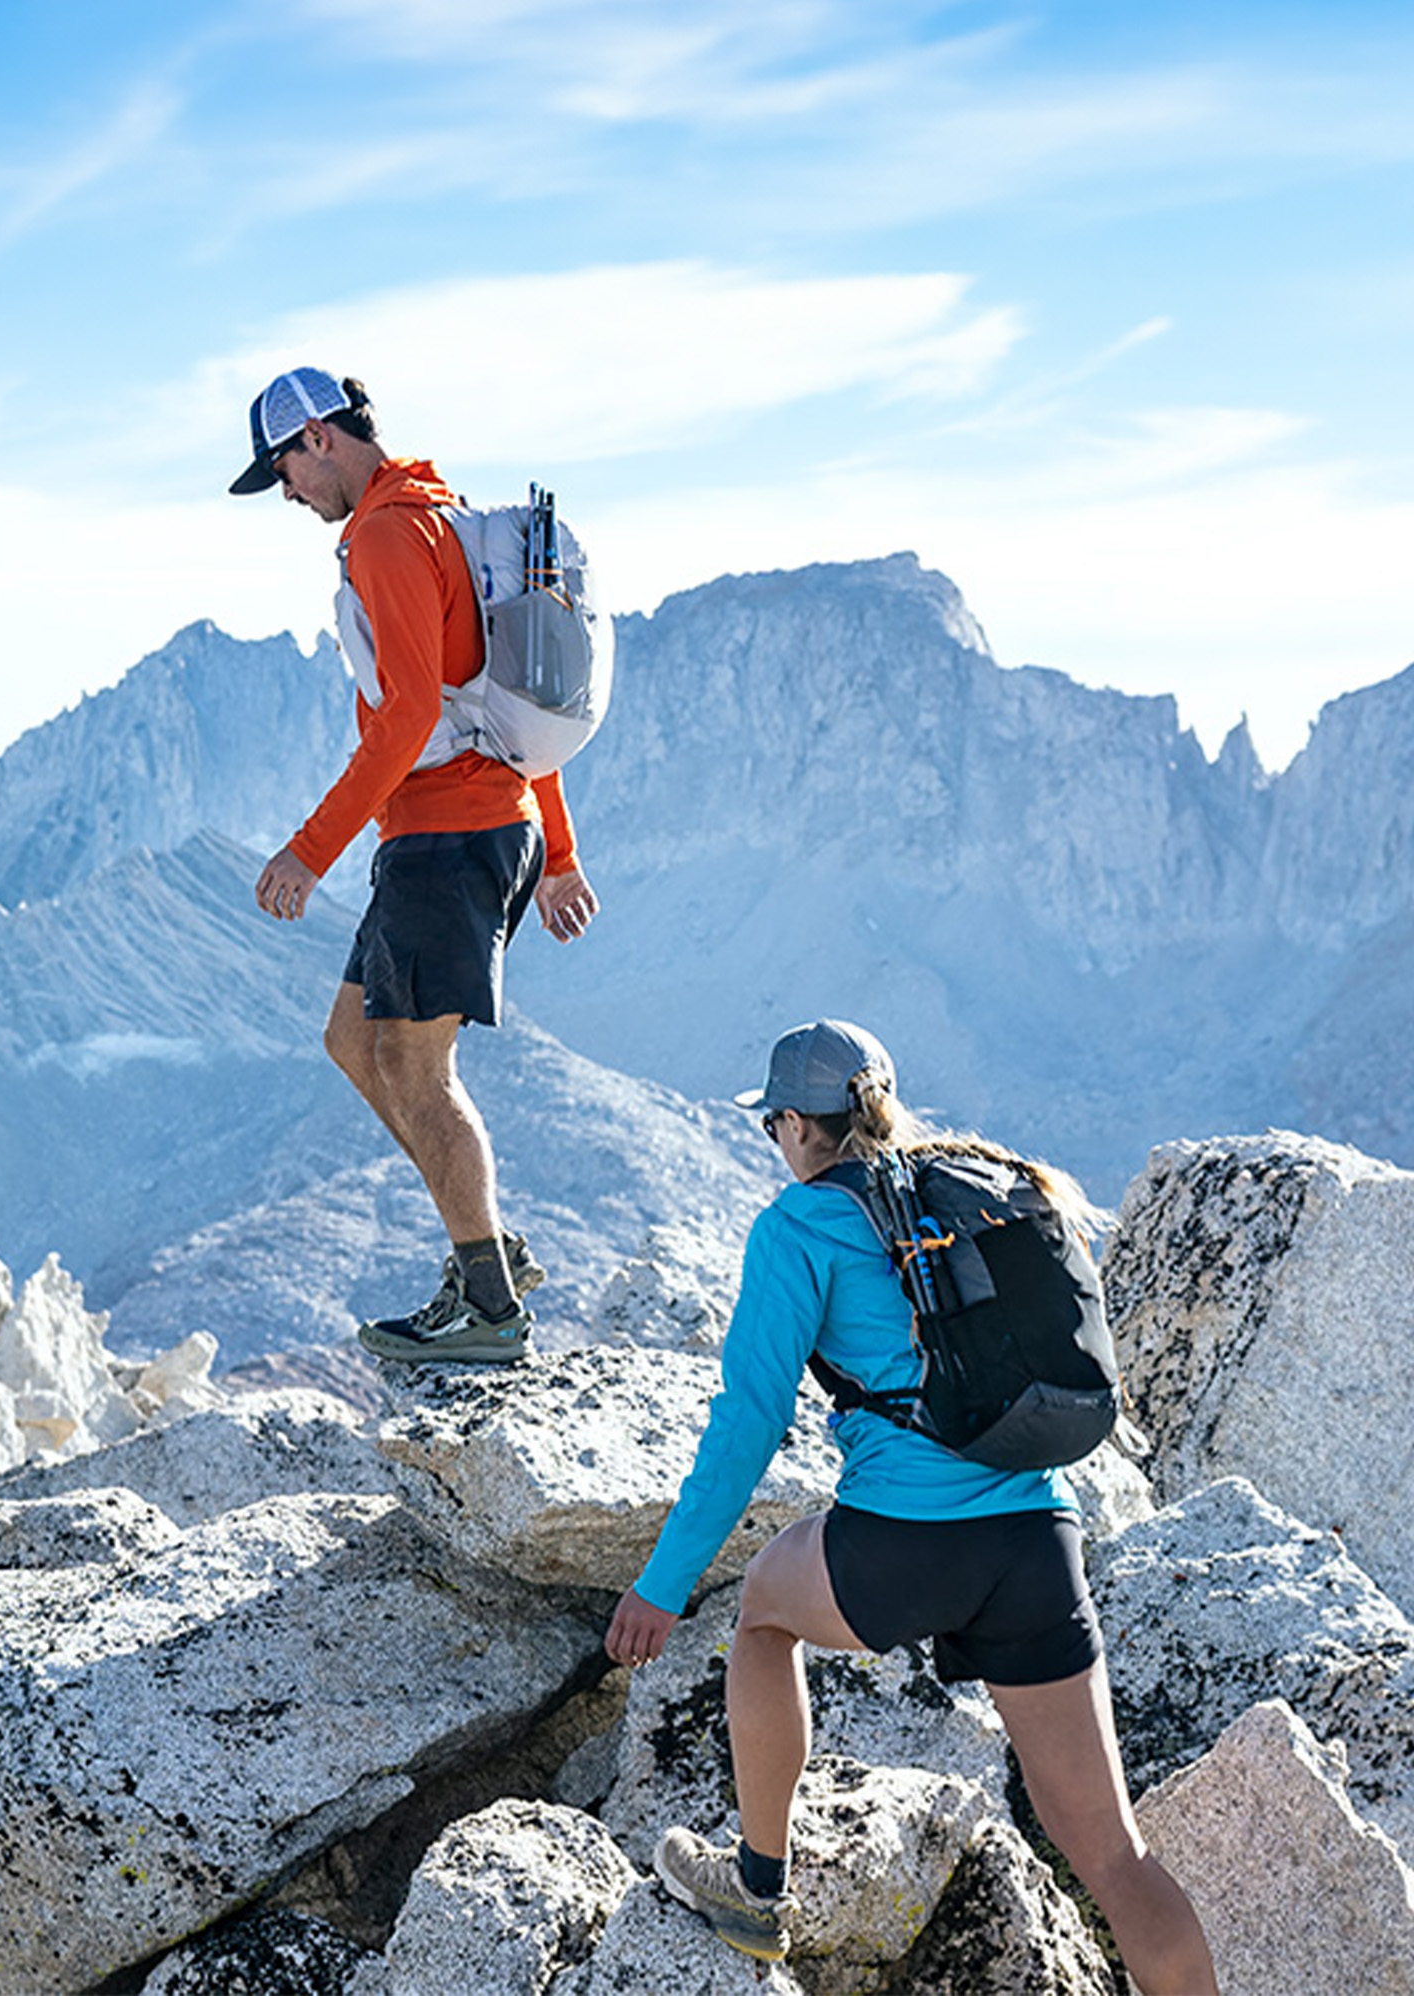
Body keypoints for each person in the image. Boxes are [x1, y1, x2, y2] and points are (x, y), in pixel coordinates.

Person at [606, 1020, 1217, 1991]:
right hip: (1034, 1543)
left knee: (762, 1611)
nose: (775, 1140)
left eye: (773, 1122)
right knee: (1114, 1858)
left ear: (798, 1125)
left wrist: (661, 1585)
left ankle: (756, 1889)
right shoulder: (983, 1185)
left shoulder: (799, 1224)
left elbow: (745, 1428)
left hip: (902, 1545)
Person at [229, 366, 598, 1363]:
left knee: (413, 1065)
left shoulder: (390, 533)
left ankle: (487, 1298)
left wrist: (307, 854)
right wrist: (554, 852)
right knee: (355, 1040)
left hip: (447, 833)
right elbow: (506, 701)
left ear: (319, 439)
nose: (291, 498)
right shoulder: (444, 515)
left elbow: (413, 717)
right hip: (476, 823)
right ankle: (485, 1254)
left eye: (285, 474)